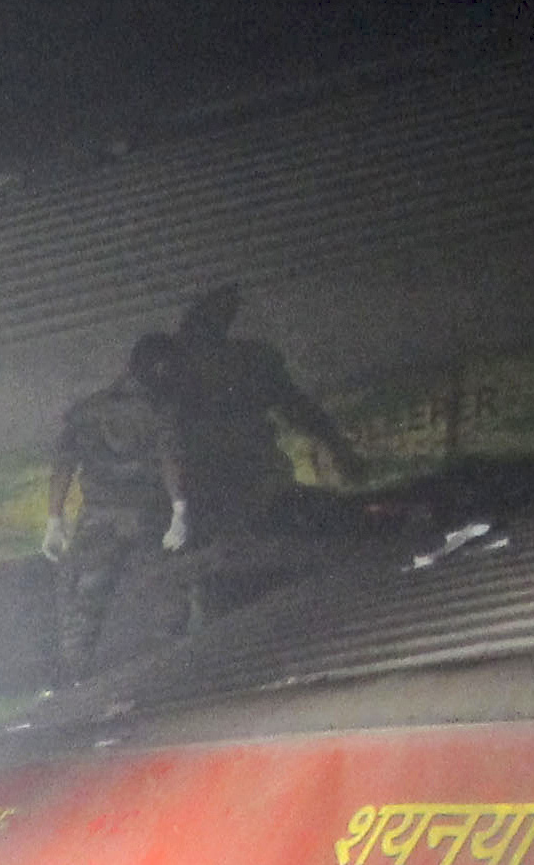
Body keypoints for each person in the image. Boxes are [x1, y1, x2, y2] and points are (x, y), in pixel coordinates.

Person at [163, 284, 362, 545]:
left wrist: (337, 447)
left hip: (262, 496)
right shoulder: (171, 383)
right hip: (221, 508)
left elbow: (297, 407)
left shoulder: (249, 363)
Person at [44, 331, 194, 665]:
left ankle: (76, 673)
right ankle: (175, 664)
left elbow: (63, 466)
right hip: (148, 516)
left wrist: (54, 520)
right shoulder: (159, 410)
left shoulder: (87, 411)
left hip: (99, 517)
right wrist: (179, 510)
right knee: (166, 592)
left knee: (85, 600)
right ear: (160, 369)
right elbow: (170, 459)